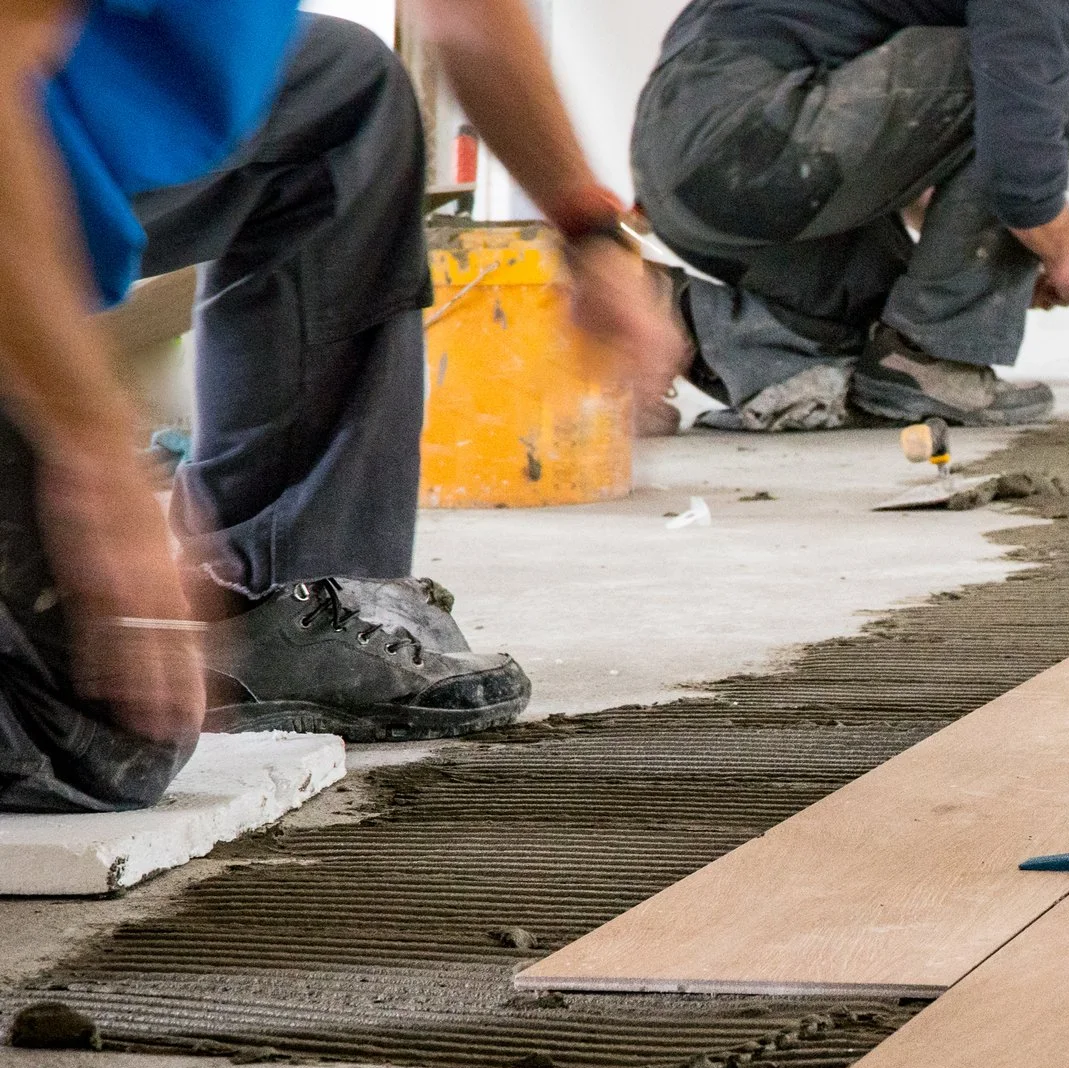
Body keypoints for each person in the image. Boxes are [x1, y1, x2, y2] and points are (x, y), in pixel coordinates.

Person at [0, 0, 682, 813]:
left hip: (57, 135)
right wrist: (94, 457)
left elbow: (471, 15)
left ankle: (291, 597)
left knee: (343, 95)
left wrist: (589, 231)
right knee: (81, 740)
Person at [632, 0, 1069, 434]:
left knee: (874, 343)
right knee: (1027, 79)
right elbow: (1016, 169)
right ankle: (935, 359)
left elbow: (876, 116)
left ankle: (666, 314)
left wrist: (970, 256)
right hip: (750, 140)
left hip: (682, 167)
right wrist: (1064, 250)